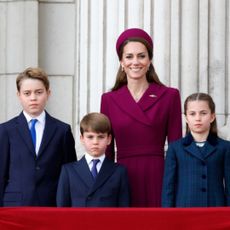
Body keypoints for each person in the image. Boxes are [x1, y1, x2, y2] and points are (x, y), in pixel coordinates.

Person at [100, 28, 182, 207]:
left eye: (141, 56)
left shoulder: (169, 96)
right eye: (129, 57)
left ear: (150, 60)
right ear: (121, 61)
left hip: (158, 176)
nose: (135, 62)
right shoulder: (109, 99)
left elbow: (176, 148)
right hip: (122, 176)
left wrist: (174, 184)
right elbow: (106, 150)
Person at [0, 67, 77, 207]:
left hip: (51, 205)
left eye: (39, 92)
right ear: (19, 95)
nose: (33, 98)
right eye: (27, 93)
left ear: (48, 93)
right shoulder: (5, 130)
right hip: (14, 206)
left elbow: (69, 175)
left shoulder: (62, 131)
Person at [162, 93, 230, 207]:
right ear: (186, 118)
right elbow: (168, 187)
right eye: (192, 114)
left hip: (215, 210)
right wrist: (167, 216)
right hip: (184, 210)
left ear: (212, 116)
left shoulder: (225, 147)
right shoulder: (175, 148)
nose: (198, 118)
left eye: (203, 113)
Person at [56, 112, 130, 207]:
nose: (95, 142)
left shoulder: (119, 172)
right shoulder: (68, 171)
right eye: (90, 137)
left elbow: (124, 211)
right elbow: (62, 210)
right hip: (78, 221)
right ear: (82, 139)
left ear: (109, 139)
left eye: (101, 137)